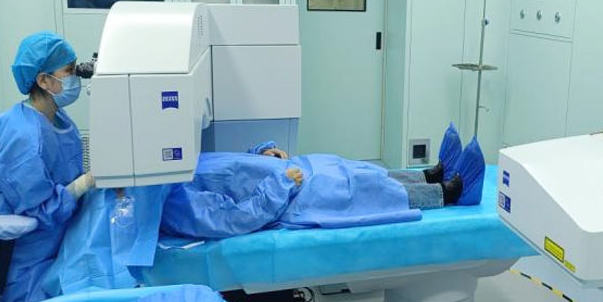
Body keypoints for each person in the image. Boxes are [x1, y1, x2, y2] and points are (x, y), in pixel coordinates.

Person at [161, 124, 486, 239]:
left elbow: (231, 171)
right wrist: (280, 184)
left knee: (358, 170)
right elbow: (233, 219)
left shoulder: (171, 166)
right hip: (290, 199)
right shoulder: (174, 202)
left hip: (292, 174)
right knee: (360, 190)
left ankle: (428, 176)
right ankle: (448, 193)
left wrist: (262, 153)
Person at [0, 31, 96, 302]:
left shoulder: (57, 118)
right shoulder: (21, 135)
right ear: (44, 80)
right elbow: (39, 211)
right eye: (69, 70)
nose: (76, 76)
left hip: (61, 239)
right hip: (31, 261)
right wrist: (84, 184)